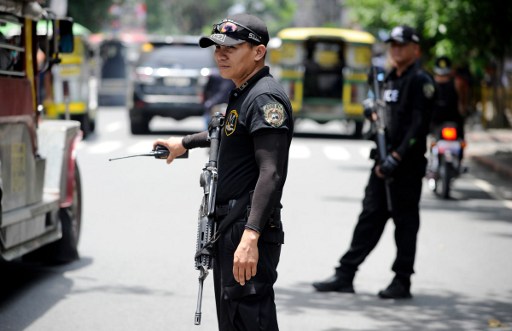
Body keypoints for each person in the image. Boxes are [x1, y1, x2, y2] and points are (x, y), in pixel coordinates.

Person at [153, 13, 293, 331]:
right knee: (233, 318)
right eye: (217, 48)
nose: (221, 54)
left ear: (258, 51)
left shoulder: (264, 98)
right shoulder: (244, 91)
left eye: (231, 47)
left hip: (247, 226)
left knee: (251, 319)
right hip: (230, 224)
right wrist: (183, 143)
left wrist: (251, 235)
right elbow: (226, 131)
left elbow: (271, 172)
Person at [312, 25, 436, 299]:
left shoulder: (420, 80)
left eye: (401, 45)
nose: (396, 49)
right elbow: (382, 115)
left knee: (405, 223)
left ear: (416, 49)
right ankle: (345, 274)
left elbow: (419, 126)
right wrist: (370, 110)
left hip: (405, 164)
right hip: (381, 161)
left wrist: (397, 156)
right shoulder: (387, 78)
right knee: (369, 218)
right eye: (392, 45)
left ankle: (402, 281)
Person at [430, 56, 465, 139]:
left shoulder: (457, 83)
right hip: (438, 124)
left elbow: (462, 103)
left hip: (451, 123)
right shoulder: (457, 83)